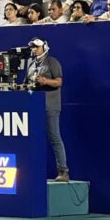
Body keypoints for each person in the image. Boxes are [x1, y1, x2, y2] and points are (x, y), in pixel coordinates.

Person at [25, 38, 68, 182]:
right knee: (33, 138)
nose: (34, 49)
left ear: (44, 47)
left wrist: (45, 81)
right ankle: (33, 171)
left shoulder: (52, 62)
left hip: (50, 106)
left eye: (37, 47)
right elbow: (27, 83)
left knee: (54, 137)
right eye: (32, 47)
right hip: (34, 106)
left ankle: (63, 171)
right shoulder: (30, 63)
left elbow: (59, 82)